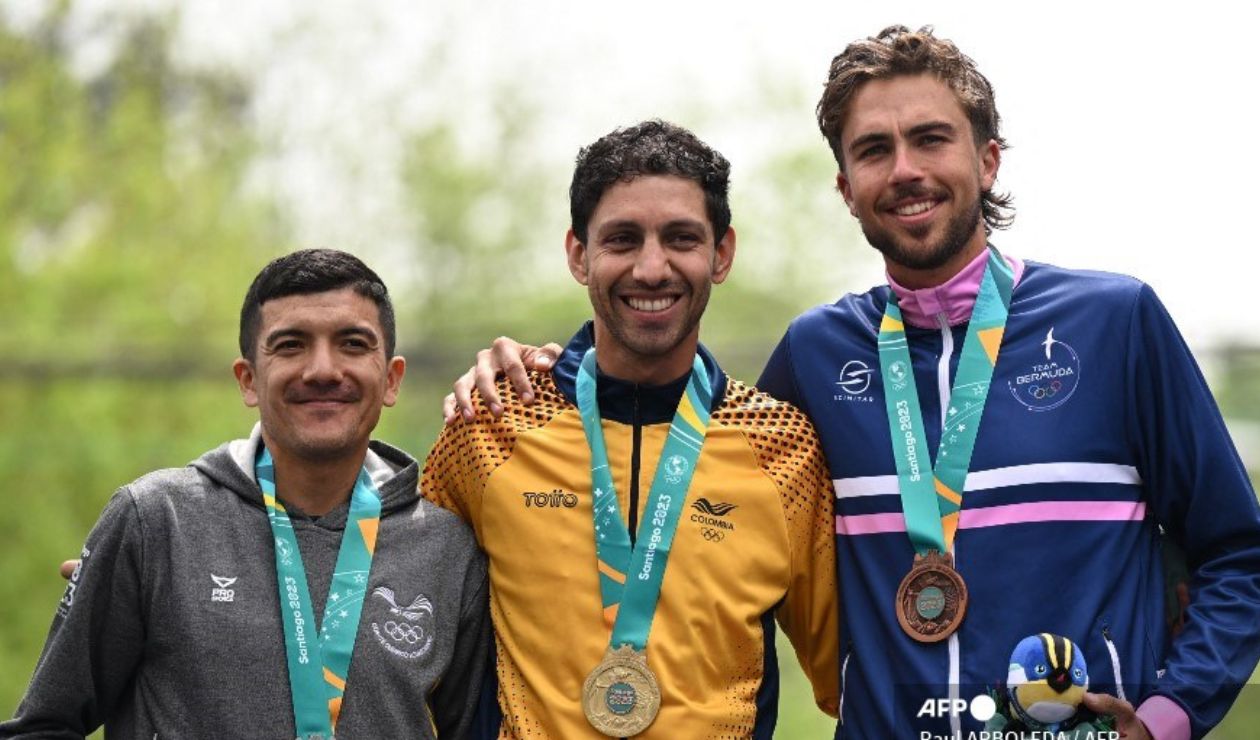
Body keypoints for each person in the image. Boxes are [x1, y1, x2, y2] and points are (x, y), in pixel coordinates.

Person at [445, 27, 1260, 740]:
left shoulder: (1114, 324)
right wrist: (553, 371)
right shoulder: (815, 355)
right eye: (873, 149)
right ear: (845, 187)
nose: (904, 170)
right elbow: (685, 458)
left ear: (987, 157)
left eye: (931, 139)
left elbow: (1240, 552)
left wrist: (1169, 715)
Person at [422, 120, 839, 738]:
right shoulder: (491, 424)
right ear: (578, 253)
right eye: (622, 239)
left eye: (680, 238)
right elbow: (394, 637)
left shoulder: (783, 449)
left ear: (720, 254)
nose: (651, 268)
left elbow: (850, 677)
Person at [3, 249, 489, 739]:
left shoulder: (449, 550)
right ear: (249, 379)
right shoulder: (155, 522)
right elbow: (43, 726)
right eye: (291, 345)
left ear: (391, 379)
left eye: (353, 344)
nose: (322, 369)